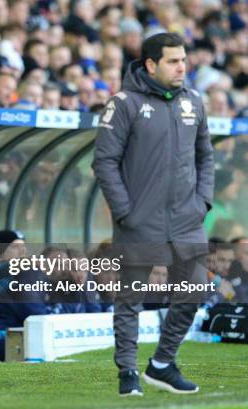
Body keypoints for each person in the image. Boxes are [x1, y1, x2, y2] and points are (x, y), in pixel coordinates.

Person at [92, 33, 214, 396]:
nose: (182, 67)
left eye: (184, 60)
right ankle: (127, 372)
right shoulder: (124, 103)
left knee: (193, 290)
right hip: (139, 222)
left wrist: (202, 202)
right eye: (173, 61)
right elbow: (104, 161)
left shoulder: (194, 102)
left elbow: (205, 156)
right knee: (131, 298)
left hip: (187, 220)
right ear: (151, 65)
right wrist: (126, 211)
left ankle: (162, 363)